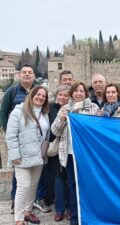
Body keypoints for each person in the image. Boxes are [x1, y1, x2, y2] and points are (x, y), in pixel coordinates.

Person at [51, 81, 99, 225]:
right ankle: (75, 217)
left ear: (86, 93)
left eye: (81, 91)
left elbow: (97, 130)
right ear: (72, 94)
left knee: (88, 185)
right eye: (76, 91)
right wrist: (62, 119)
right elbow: (55, 131)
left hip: (86, 156)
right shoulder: (65, 109)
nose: (79, 93)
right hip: (70, 154)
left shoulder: (94, 108)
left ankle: (89, 216)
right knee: (72, 185)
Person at [6, 86, 50, 225]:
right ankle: (19, 219)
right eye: (38, 94)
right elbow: (11, 135)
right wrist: (15, 155)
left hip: (38, 156)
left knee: (33, 185)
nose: (40, 97)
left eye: (43, 96)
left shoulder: (44, 113)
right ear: (31, 95)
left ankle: (28, 212)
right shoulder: (18, 112)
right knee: (24, 185)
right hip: (22, 156)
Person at [0, 64, 36, 214]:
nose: (27, 75)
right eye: (24, 72)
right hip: (18, 140)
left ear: (33, 76)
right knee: (19, 172)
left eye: (30, 72)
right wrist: (9, 134)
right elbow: (3, 113)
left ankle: (31, 203)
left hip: (35, 140)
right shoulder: (11, 92)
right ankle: (16, 202)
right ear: (20, 75)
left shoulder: (38, 91)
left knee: (34, 172)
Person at [46, 85, 71, 222]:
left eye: (65, 95)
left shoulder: (72, 109)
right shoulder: (50, 109)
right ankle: (60, 210)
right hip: (55, 150)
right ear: (56, 96)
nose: (62, 97)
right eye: (60, 95)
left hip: (68, 149)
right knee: (58, 181)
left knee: (70, 181)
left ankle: (70, 208)